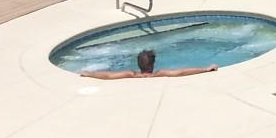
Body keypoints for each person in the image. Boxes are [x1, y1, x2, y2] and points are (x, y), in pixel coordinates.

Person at [82, 49, 218, 80]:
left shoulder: (132, 74)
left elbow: (108, 75)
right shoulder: (159, 74)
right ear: (153, 64)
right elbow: (181, 72)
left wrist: (91, 74)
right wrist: (205, 69)